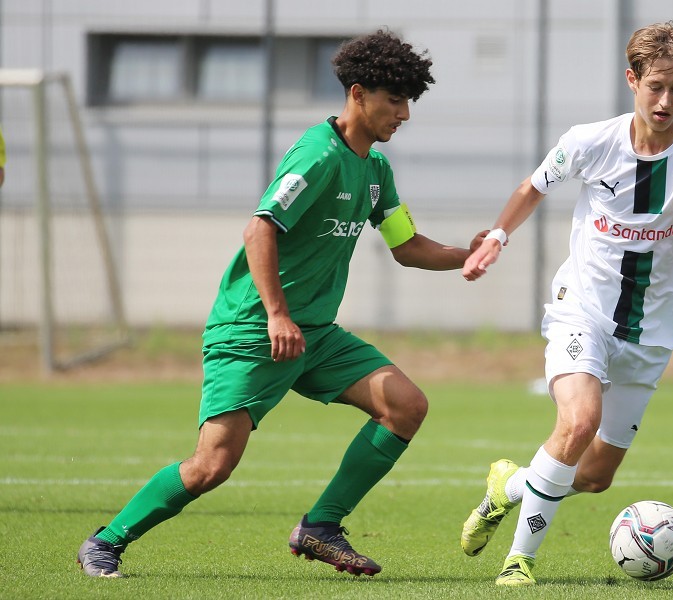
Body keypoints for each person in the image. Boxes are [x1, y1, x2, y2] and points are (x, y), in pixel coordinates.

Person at [77, 29, 485, 579]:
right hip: (253, 329)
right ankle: (107, 540)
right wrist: (275, 313)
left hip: (314, 334)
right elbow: (259, 229)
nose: (404, 113)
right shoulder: (318, 154)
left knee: (406, 406)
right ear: (358, 93)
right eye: (395, 100)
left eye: (409, 101)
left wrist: (467, 255)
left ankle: (320, 526)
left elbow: (407, 246)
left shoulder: (376, 171)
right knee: (210, 466)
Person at [459, 21, 673, 586]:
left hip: (654, 332)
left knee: (596, 475)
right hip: (582, 308)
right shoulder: (591, 141)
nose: (665, 100)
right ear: (631, 79)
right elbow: (532, 187)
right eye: (655, 86)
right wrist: (496, 238)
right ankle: (519, 561)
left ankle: (507, 487)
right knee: (580, 421)